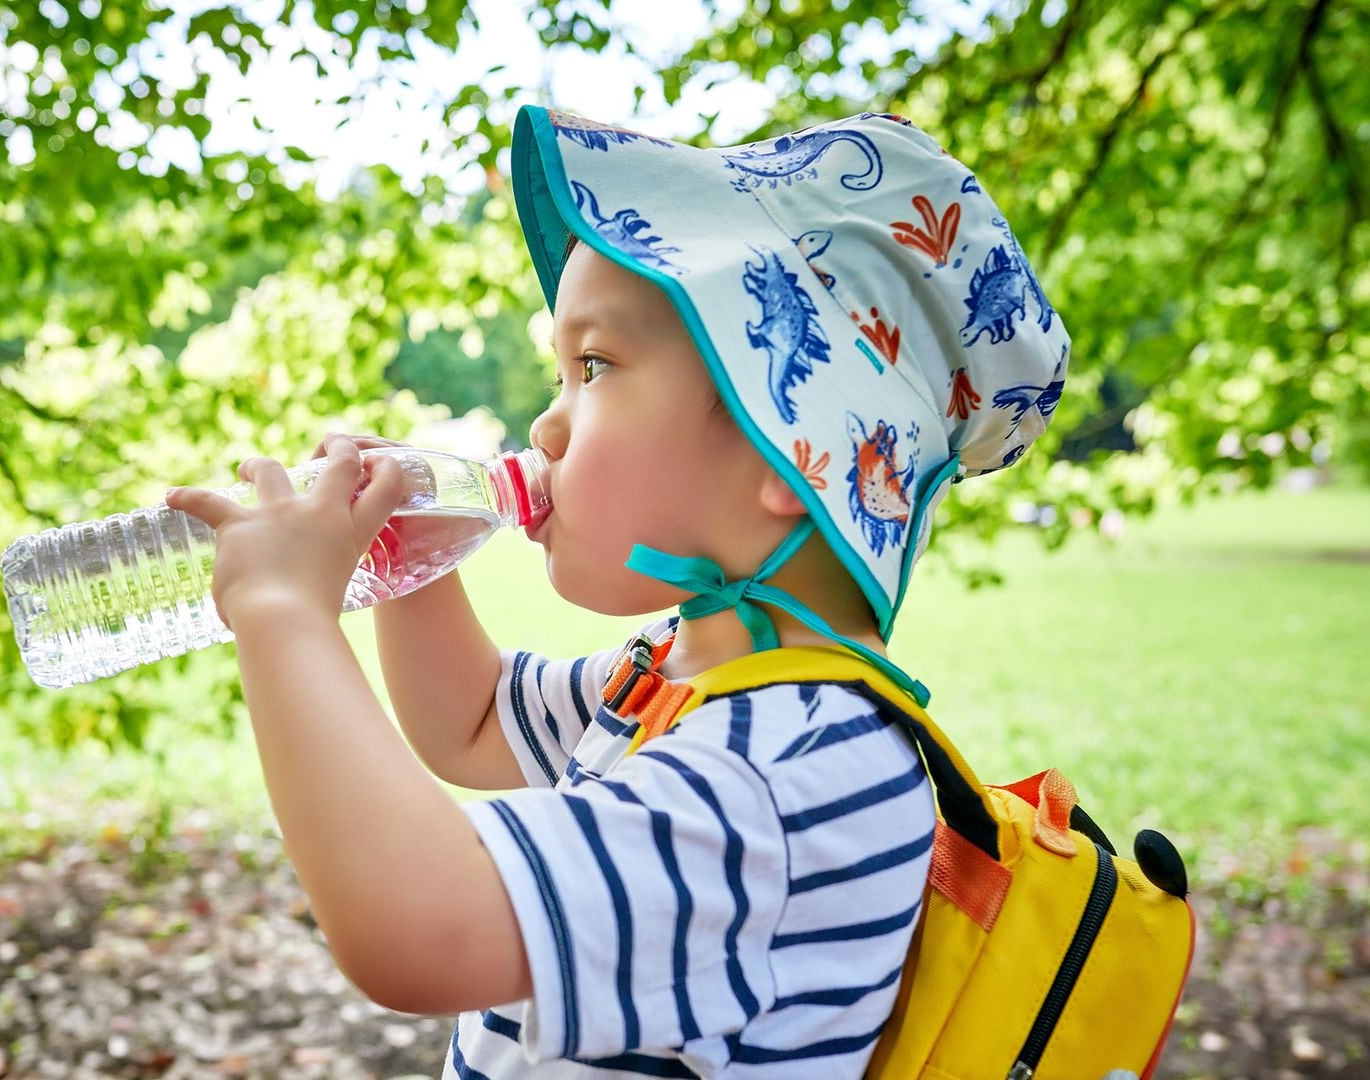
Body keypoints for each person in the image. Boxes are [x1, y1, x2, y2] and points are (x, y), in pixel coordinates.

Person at [163, 103, 1070, 1076]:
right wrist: (409, 566)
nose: (544, 428)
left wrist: (281, 618)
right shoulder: (690, 682)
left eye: (592, 365)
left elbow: (422, 926)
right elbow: (469, 723)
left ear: (799, 446)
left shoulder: (791, 769)